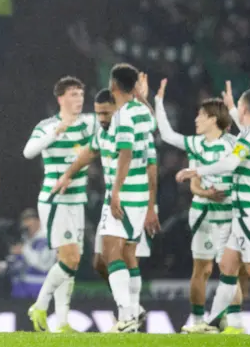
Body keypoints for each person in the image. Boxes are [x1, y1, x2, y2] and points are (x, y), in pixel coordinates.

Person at [177, 82, 250, 334]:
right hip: (247, 212)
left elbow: (229, 164)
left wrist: (196, 170)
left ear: (245, 108)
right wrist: (232, 107)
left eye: (238, 109)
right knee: (227, 265)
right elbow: (246, 128)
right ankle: (213, 322)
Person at [53, 86, 159, 331]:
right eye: (98, 113)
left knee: (115, 255)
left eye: (106, 114)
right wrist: (68, 174)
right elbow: (89, 152)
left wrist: (151, 205)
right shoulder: (105, 131)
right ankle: (134, 310)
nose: (101, 119)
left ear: (118, 110)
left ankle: (127, 315)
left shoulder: (133, 130)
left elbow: (151, 167)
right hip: (116, 199)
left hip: (130, 199)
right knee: (102, 262)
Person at [153, 79, 247, 333]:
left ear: (214, 119)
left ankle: (234, 323)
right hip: (202, 214)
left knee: (229, 269)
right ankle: (197, 320)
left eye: (201, 115)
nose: (196, 119)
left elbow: (248, 149)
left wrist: (226, 192)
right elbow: (167, 135)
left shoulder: (233, 144)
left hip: (227, 215)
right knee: (202, 269)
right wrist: (158, 102)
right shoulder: (195, 144)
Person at [22, 76, 97, 333]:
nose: (79, 99)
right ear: (60, 98)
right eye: (73, 94)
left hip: (78, 201)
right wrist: (57, 131)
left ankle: (62, 322)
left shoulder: (89, 123)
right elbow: (28, 152)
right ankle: (40, 306)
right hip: (56, 201)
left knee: (71, 262)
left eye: (80, 94)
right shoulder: (48, 125)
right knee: (69, 258)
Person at [89, 64, 157, 333]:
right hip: (141, 195)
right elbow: (151, 123)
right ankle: (134, 311)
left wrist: (114, 192)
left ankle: (126, 315)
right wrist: (144, 99)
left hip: (125, 193)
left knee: (111, 252)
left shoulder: (123, 116)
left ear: (113, 85)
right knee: (128, 254)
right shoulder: (142, 111)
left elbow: (125, 154)